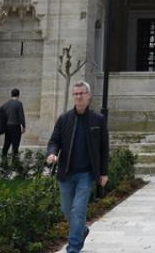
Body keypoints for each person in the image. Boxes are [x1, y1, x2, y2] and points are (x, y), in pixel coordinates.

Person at [46, 81, 109, 253]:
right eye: (76, 94)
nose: (79, 97)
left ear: (88, 96)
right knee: (67, 210)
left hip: (86, 174)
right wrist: (52, 153)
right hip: (66, 173)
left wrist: (103, 173)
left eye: (82, 93)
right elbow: (54, 141)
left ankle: (73, 248)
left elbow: (104, 148)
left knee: (78, 210)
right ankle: (82, 230)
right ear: (73, 96)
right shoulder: (64, 119)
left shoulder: (98, 120)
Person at [0, 88, 27, 159]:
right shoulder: (19, 104)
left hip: (7, 126)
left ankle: (4, 161)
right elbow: (21, 116)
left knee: (6, 144)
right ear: (18, 95)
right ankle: (14, 162)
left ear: (11, 94)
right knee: (15, 146)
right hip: (15, 126)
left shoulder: (7, 103)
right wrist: (23, 126)